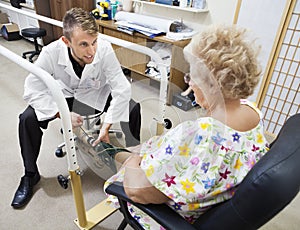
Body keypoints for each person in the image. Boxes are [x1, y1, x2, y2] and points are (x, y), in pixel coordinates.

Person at [103, 24, 269, 228]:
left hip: (177, 215)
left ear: (211, 84)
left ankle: (115, 152)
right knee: (141, 148)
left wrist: (133, 162)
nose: (188, 84)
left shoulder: (200, 134)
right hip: (214, 194)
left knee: (127, 165)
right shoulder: (253, 112)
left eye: (190, 76)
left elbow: (137, 190)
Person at [11, 7, 140, 209]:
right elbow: (31, 89)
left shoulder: (103, 49)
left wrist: (107, 123)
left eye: (94, 42)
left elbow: (121, 87)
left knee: (133, 108)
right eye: (83, 44)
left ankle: (129, 165)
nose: (91, 51)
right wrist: (60, 113)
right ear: (67, 41)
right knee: (26, 118)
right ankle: (30, 174)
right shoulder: (50, 53)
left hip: (96, 94)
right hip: (65, 98)